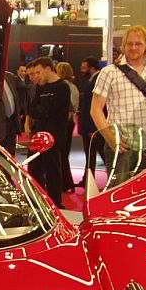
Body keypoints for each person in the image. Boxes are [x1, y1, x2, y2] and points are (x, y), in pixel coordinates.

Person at [91, 25, 146, 186]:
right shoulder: (110, 72)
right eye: (129, 44)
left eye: (138, 43)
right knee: (117, 192)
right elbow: (96, 109)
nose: (133, 47)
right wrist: (111, 139)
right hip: (121, 145)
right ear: (123, 46)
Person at [28, 57, 70, 208]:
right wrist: (39, 111)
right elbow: (32, 109)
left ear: (48, 69)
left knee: (53, 171)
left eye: (38, 72)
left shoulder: (62, 87)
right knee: (33, 169)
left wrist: (40, 111)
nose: (36, 77)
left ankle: (55, 203)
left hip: (55, 136)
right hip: (39, 135)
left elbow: (47, 111)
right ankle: (36, 201)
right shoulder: (41, 87)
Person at [76, 56, 106, 188]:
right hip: (91, 126)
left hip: (92, 127)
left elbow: (95, 107)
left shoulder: (96, 81)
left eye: (84, 68)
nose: (81, 71)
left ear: (91, 67)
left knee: (99, 153)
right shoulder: (93, 80)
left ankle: (91, 179)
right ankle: (88, 179)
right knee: (92, 154)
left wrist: (92, 128)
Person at [55, 61, 79, 192]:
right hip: (71, 122)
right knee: (64, 154)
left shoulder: (63, 87)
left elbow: (68, 110)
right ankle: (67, 183)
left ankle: (65, 183)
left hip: (65, 123)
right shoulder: (73, 87)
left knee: (61, 154)